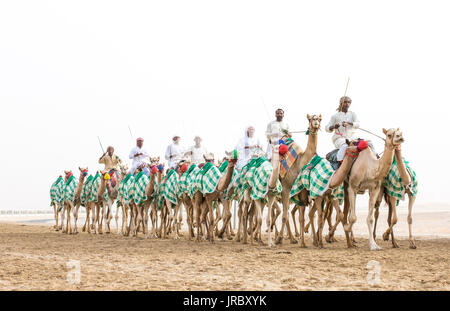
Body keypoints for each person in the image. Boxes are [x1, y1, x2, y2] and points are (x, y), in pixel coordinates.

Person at [326, 96, 360, 161]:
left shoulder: (353, 114)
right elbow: (327, 128)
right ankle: (340, 162)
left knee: (368, 142)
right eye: (345, 102)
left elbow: (358, 124)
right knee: (345, 146)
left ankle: (376, 157)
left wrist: (349, 123)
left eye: (348, 102)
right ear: (341, 103)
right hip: (339, 139)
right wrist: (334, 127)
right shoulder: (335, 116)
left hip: (352, 137)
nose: (347, 104)